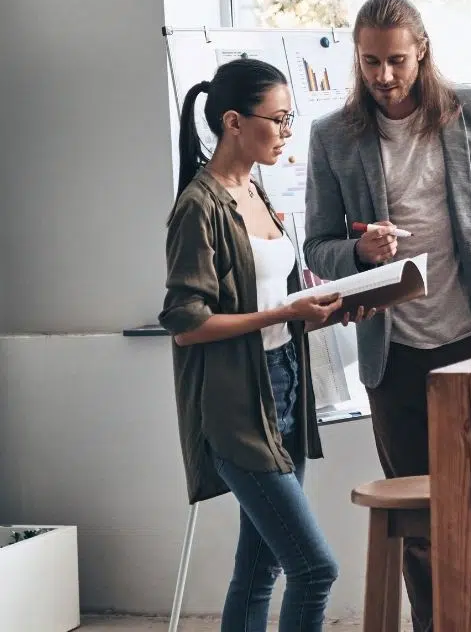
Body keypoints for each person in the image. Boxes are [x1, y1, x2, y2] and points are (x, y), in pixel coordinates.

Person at [303, 0, 471, 631]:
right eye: (371, 62)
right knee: (421, 524)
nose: (384, 76)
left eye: (397, 61)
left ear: (422, 51)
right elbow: (317, 245)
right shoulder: (334, 137)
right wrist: (359, 249)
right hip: (395, 354)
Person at [159, 58, 347, 632]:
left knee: (260, 566)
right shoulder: (200, 205)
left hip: (284, 382)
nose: (287, 133)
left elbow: (272, 306)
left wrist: (315, 313)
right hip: (237, 404)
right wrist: (283, 312)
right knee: (314, 570)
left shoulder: (257, 192)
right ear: (235, 121)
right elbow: (186, 322)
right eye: (280, 119)